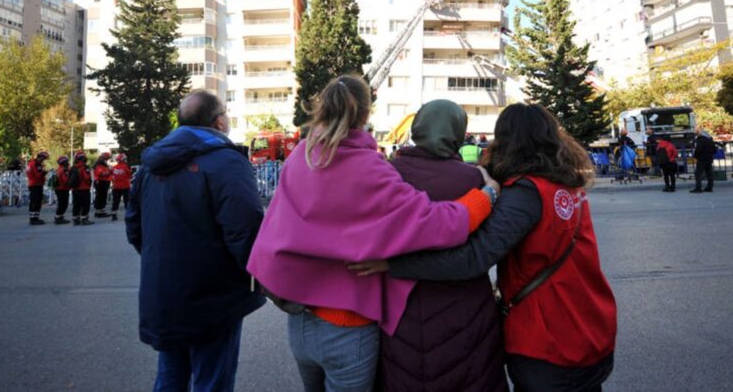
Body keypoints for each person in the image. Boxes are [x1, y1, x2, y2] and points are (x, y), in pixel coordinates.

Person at [247, 75, 497, 392]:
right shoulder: (369, 167)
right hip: (346, 325)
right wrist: (486, 196)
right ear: (366, 115)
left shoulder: (301, 157)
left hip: (298, 320)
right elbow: (435, 223)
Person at [352, 103, 617, 392]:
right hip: (591, 328)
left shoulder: (525, 194)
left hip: (549, 340)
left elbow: (473, 257)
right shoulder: (565, 185)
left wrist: (395, 265)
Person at [125, 90, 266, 391]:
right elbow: (245, 231)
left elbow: (135, 228)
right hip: (213, 295)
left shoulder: (152, 163)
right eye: (226, 113)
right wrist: (261, 276)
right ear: (218, 122)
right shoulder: (225, 160)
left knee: (170, 376)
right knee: (212, 379)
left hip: (163, 289)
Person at [381, 99, 508, 391]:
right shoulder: (474, 180)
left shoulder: (388, 174)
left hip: (401, 304)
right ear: (457, 132)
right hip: (465, 305)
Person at [69, 151, 94, 226]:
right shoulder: (84, 167)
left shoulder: (73, 167)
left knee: (76, 205)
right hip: (84, 189)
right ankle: (84, 219)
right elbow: (87, 177)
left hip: (75, 189)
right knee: (85, 204)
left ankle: (76, 220)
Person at [26, 151, 49, 225]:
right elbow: (38, 175)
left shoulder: (31, 163)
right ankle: (33, 219)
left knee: (36, 201)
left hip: (33, 184)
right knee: (36, 202)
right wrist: (45, 172)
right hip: (36, 185)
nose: (43, 160)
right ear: (40, 157)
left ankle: (35, 217)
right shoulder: (36, 164)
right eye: (44, 158)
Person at [690, 127, 716, 193]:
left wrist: (696, 156)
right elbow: (715, 149)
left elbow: (698, 149)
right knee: (709, 173)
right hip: (709, 158)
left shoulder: (699, 141)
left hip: (701, 159)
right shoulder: (710, 140)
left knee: (698, 174)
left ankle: (698, 188)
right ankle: (709, 187)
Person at [110, 153, 131, 221]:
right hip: (125, 187)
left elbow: (111, 176)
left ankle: (114, 215)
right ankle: (128, 215)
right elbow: (129, 175)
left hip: (116, 187)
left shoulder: (114, 167)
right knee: (127, 201)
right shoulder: (126, 167)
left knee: (115, 201)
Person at [93, 152, 112, 218]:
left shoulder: (102, 164)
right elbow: (101, 173)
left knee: (102, 197)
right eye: (107, 158)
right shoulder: (100, 164)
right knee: (100, 197)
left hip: (103, 182)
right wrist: (109, 172)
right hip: (101, 182)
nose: (107, 160)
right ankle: (99, 212)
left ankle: (101, 211)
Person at [53, 156, 71, 224]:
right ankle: (58, 217)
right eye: (66, 161)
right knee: (63, 204)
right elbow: (65, 180)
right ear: (64, 162)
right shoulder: (64, 170)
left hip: (60, 189)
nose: (68, 163)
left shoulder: (59, 169)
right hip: (62, 189)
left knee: (62, 203)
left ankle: (60, 217)